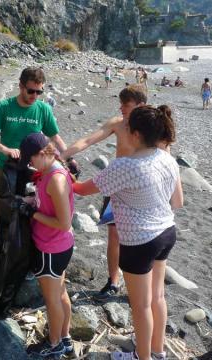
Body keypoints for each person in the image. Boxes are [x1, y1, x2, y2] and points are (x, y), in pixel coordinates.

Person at [73, 105, 184, 360]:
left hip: (140, 241)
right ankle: (157, 351)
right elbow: (176, 200)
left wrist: (63, 172)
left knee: (141, 305)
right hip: (166, 232)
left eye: (125, 128)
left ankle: (140, 357)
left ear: (135, 134)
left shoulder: (126, 166)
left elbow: (81, 189)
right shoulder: (166, 157)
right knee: (158, 297)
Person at [61, 84, 147, 301]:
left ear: (140, 105)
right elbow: (88, 140)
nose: (121, 108)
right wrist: (63, 155)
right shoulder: (118, 124)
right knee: (115, 235)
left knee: (141, 237)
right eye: (121, 104)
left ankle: (139, 283)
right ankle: (113, 281)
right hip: (116, 185)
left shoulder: (151, 127)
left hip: (141, 188)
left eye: (126, 105)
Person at [0, 67, 74, 253]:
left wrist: (69, 159)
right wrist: (6, 149)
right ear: (20, 87)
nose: (35, 96)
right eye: (31, 91)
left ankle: (24, 249)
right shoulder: (4, 107)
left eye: (39, 92)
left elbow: (55, 138)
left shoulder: (43, 109)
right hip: (5, 166)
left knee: (28, 214)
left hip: (33, 170)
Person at [16, 133, 75, 358]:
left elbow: (63, 222)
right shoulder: (49, 171)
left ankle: (54, 344)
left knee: (52, 300)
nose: (30, 165)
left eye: (31, 160)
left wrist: (33, 213)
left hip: (52, 247)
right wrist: (31, 201)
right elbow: (48, 203)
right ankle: (65, 338)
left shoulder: (56, 178)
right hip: (57, 245)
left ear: (42, 153)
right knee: (60, 294)